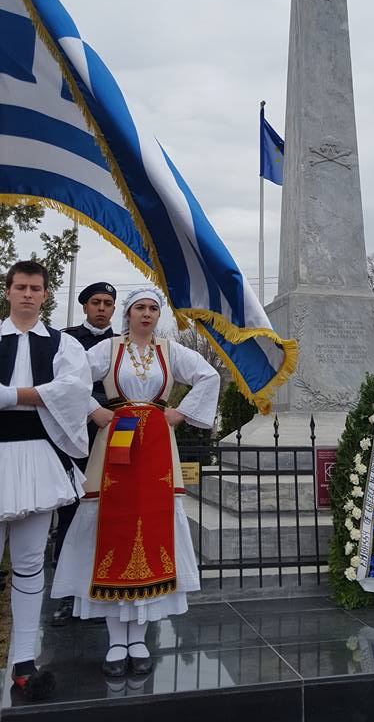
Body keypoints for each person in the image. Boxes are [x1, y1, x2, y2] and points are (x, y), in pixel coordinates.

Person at [52, 286, 220, 678]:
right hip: (115, 447)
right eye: (140, 308)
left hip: (158, 448)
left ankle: (140, 637)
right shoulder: (107, 350)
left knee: (155, 526)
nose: (146, 314)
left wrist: (178, 414)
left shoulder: (170, 351)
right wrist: (95, 409)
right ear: (127, 314)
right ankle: (115, 639)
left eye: (153, 309)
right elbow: (69, 376)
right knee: (114, 529)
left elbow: (208, 375)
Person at [0, 260, 91, 698]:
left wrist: (14, 396)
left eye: (36, 288)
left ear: (45, 294)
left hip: (38, 458)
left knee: (31, 562)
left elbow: (73, 391)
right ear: (8, 291)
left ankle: (22, 660)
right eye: (21, 287)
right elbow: (56, 392)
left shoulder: (63, 344)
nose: (28, 295)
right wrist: (39, 396)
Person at [52, 281, 117, 627]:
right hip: (77, 435)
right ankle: (66, 595)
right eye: (96, 302)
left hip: (115, 435)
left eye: (108, 303)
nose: (102, 308)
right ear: (85, 306)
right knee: (73, 513)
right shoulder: (66, 339)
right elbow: (60, 385)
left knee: (110, 512)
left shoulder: (123, 342)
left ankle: (104, 588)